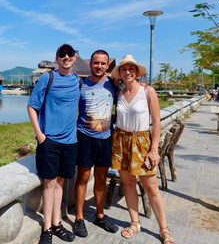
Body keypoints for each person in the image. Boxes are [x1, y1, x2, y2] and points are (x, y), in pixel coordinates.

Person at [110, 55, 176, 244]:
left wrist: (154, 149)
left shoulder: (148, 91)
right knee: (128, 183)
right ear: (120, 73)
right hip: (121, 141)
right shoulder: (119, 93)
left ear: (137, 72)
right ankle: (134, 222)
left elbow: (156, 121)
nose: (128, 72)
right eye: (124, 69)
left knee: (151, 187)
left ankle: (164, 229)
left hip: (141, 142)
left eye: (132, 69)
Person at [27, 43, 80, 244]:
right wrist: (39, 135)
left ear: (74, 57)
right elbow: (32, 106)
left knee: (60, 183)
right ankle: (47, 229)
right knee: (49, 184)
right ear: (57, 58)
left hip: (70, 141)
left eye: (70, 54)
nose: (66, 57)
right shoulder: (47, 78)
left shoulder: (77, 80)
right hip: (49, 141)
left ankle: (57, 224)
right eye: (62, 54)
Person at [72, 50, 118, 237]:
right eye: (96, 63)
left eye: (103, 63)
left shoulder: (113, 84)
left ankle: (100, 215)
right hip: (84, 137)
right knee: (82, 178)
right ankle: (79, 218)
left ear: (108, 66)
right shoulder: (80, 84)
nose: (99, 66)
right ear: (90, 64)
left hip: (106, 139)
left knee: (101, 179)